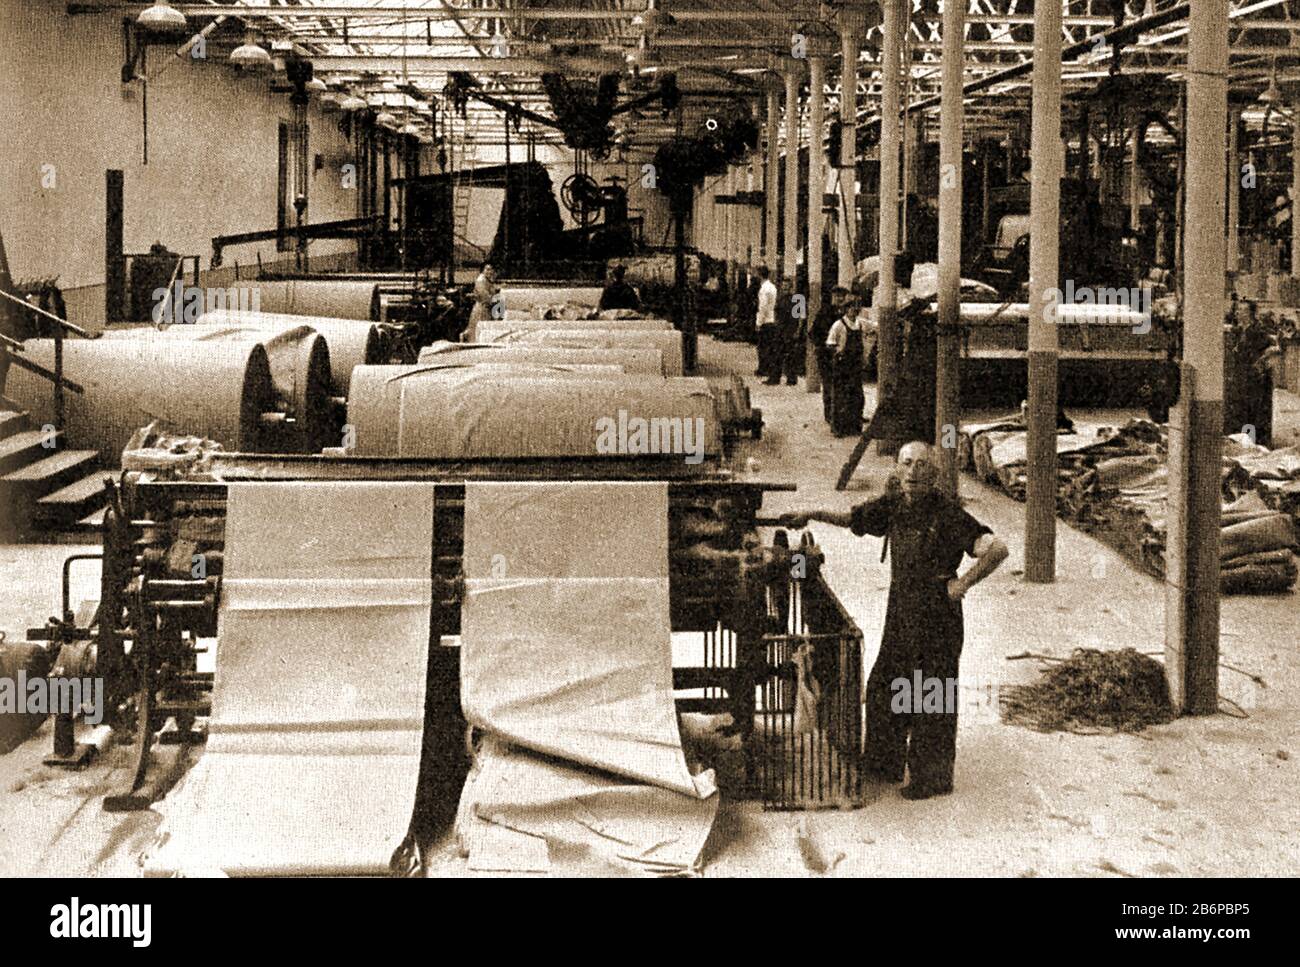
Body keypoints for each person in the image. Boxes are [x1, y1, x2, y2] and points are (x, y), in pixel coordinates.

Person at [779, 443, 1008, 799]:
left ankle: (931, 779)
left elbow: (997, 549)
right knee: (887, 685)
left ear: (934, 475)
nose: (914, 472)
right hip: (901, 608)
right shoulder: (895, 505)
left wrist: (962, 584)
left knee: (930, 696)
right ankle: (884, 763)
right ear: (898, 470)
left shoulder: (949, 514)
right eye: (907, 464)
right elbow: (854, 518)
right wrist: (810, 513)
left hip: (937, 615)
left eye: (922, 466)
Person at [825, 292, 868, 436]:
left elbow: (866, 338)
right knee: (840, 396)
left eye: (857, 309)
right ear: (846, 309)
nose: (854, 311)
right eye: (851, 308)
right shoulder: (839, 325)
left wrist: (864, 357)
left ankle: (855, 426)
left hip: (855, 365)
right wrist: (839, 352)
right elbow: (830, 343)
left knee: (857, 396)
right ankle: (838, 428)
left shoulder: (860, 324)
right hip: (842, 365)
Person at [810, 286, 849, 425]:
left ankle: (841, 414)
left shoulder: (846, 313)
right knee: (828, 385)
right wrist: (822, 346)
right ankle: (830, 415)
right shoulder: (825, 312)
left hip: (841, 355)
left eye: (842, 296)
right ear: (833, 297)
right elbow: (813, 333)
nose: (840, 299)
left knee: (842, 386)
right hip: (826, 355)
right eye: (837, 296)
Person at [754, 265, 779, 384]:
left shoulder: (763, 289)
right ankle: (768, 370)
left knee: (763, 348)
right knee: (770, 347)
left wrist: (759, 322)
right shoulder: (773, 287)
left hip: (766, 321)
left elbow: (762, 307)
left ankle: (765, 369)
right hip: (773, 319)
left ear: (759, 275)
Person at [465, 263, 499, 342]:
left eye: (491, 269)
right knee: (479, 330)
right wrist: (495, 301)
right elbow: (485, 296)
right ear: (483, 270)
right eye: (487, 269)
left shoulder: (487, 280)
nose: (489, 272)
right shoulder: (481, 280)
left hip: (486, 308)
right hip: (481, 308)